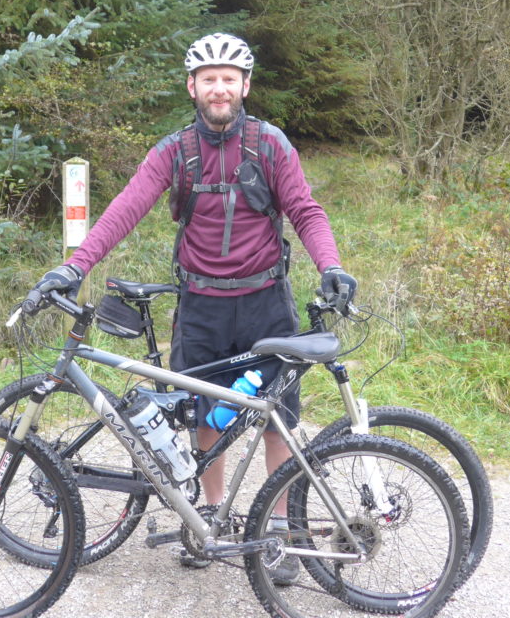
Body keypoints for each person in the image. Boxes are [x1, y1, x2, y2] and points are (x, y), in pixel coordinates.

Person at [31, 32, 356, 581]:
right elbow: (124, 211)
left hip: (265, 303)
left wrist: (331, 266)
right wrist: (75, 266)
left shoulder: (272, 145)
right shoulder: (174, 150)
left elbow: (304, 210)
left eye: (230, 78)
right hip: (201, 303)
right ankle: (211, 514)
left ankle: (278, 531)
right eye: (210, 79)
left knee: (277, 420)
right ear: (193, 87)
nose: (220, 88)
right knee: (206, 414)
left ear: (246, 85)